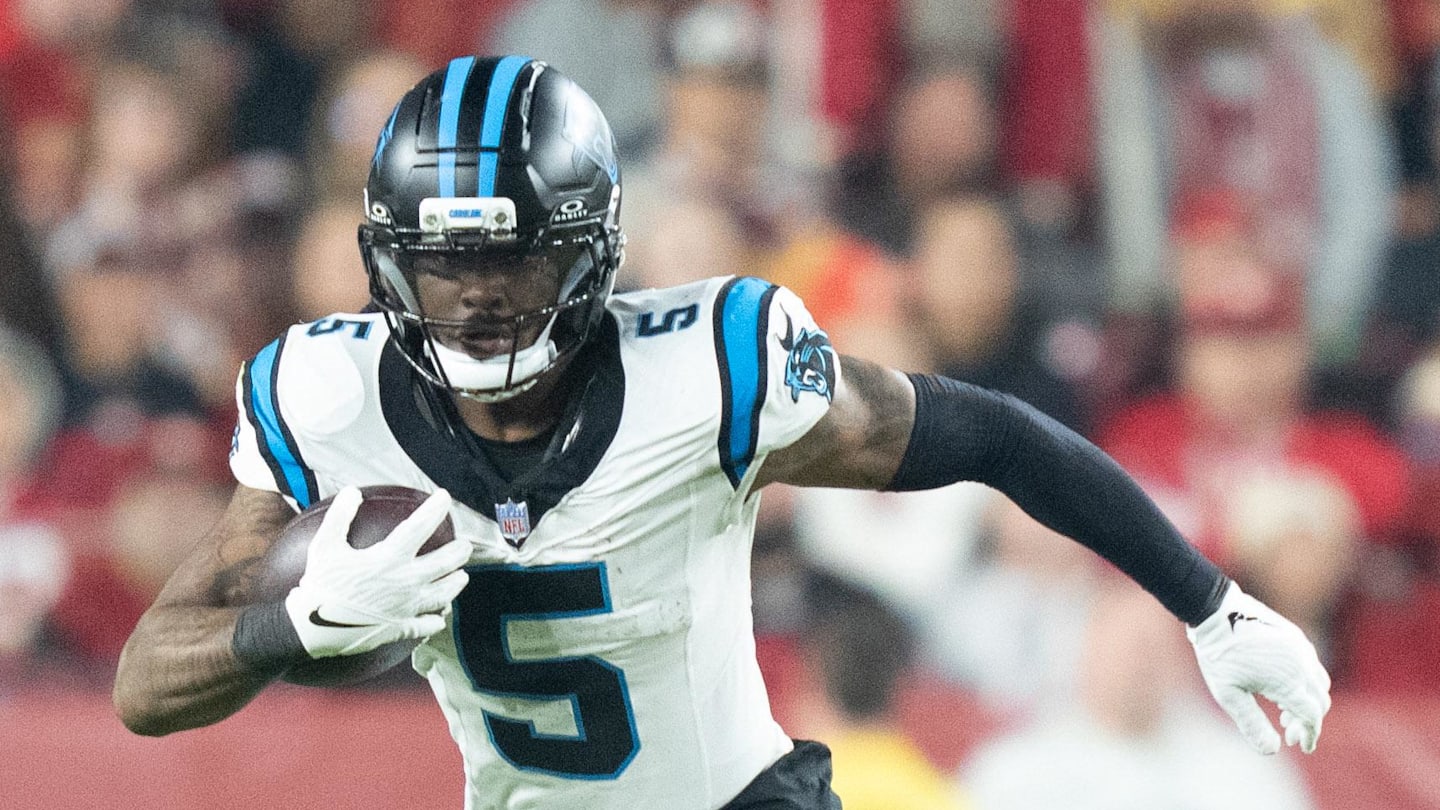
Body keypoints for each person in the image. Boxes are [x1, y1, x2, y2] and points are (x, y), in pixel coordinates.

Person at [113, 56, 1332, 809]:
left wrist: (1209, 604)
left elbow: (994, 436)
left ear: (589, 253)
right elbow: (145, 685)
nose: (476, 300)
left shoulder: (708, 368)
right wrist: (289, 628)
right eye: (445, 267)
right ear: (389, 265)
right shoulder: (325, 399)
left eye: (512, 262)